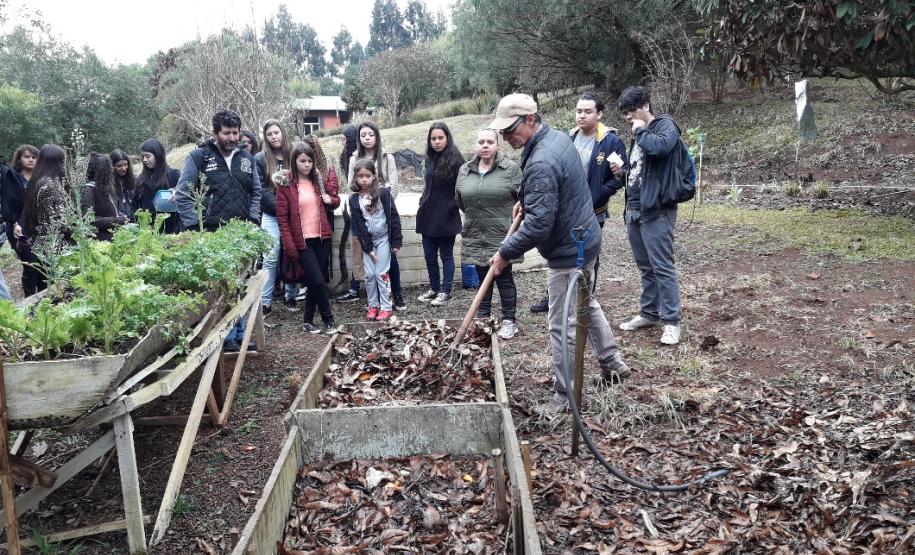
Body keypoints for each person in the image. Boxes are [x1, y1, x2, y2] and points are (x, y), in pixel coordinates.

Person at [487, 94, 629, 410]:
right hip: (585, 237)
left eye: (510, 130)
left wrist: (505, 253)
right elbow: (557, 188)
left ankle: (566, 396)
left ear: (531, 120)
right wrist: (530, 198)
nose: (506, 137)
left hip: (568, 250)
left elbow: (539, 225)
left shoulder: (540, 160)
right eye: (503, 132)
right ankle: (613, 362)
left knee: (561, 323)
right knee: (586, 302)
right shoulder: (557, 139)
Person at [529, 91, 629, 313]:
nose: (582, 116)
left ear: (599, 114)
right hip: (566, 209)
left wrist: (600, 193)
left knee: (589, 254)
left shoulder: (609, 141)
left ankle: (586, 296)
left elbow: (620, 176)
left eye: (588, 111)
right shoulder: (569, 137)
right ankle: (553, 297)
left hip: (594, 209)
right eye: (578, 111)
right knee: (560, 251)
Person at [176, 109, 262, 352]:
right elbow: (182, 194)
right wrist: (195, 227)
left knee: (241, 285)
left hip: (241, 232)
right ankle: (223, 337)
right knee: (219, 288)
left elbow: (255, 192)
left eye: (236, 132)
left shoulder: (246, 159)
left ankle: (240, 334)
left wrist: (253, 220)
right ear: (215, 133)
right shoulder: (199, 158)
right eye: (227, 133)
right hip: (212, 233)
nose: (233, 138)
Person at [612, 86, 683, 346]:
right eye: (626, 113)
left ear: (646, 105)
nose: (629, 117)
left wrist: (641, 129)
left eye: (632, 111)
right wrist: (623, 171)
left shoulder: (666, 126)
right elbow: (643, 167)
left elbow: (660, 148)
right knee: (645, 267)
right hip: (634, 207)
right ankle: (649, 313)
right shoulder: (638, 134)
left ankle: (672, 322)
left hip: (657, 209)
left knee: (663, 266)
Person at [456, 129, 522, 339]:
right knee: (482, 275)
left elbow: (522, 200)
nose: (485, 145)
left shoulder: (510, 169)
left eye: (490, 142)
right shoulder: (465, 170)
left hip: (501, 234)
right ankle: (483, 318)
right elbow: (459, 199)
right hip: (476, 232)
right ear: (476, 145)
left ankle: (509, 320)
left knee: (503, 278)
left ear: (497, 145)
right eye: (481, 141)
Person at [338, 121, 405, 311]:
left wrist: (379, 203)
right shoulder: (353, 158)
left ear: (376, 136)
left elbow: (394, 185)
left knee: (389, 260)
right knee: (364, 256)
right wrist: (361, 205)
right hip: (362, 214)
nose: (367, 138)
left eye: (370, 134)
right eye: (363, 135)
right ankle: (369, 299)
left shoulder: (386, 157)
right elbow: (351, 186)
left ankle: (395, 296)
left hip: (383, 212)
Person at [276, 142, 339, 334]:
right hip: (302, 242)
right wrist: (289, 246)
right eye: (302, 161)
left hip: (322, 238)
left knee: (314, 282)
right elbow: (282, 220)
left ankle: (308, 321)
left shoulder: (317, 181)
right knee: (318, 282)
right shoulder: (285, 185)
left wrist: (333, 200)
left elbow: (334, 199)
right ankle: (329, 320)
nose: (307, 165)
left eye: (310, 161)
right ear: (294, 161)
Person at [416, 122, 464, 306]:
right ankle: (434, 288)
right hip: (427, 215)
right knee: (429, 256)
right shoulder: (429, 158)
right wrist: (422, 202)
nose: (436, 142)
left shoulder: (456, 160)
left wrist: (453, 207)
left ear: (447, 138)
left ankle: (446, 291)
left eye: (440, 138)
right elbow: (427, 186)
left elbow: (461, 189)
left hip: (446, 216)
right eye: (433, 138)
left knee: (446, 256)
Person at [348, 159, 402, 321]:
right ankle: (373, 305)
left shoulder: (383, 193)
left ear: (374, 176)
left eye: (367, 175)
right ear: (356, 178)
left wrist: (396, 241)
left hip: (384, 239)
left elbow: (393, 216)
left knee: (381, 273)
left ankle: (386, 307)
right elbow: (359, 226)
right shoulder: (354, 199)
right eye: (360, 176)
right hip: (368, 242)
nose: (364, 179)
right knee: (370, 275)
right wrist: (368, 248)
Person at [255, 119, 296, 314]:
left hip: (293, 215)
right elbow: (261, 190)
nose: (274, 137)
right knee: (270, 257)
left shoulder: (293, 154)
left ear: (282, 133)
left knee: (291, 254)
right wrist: (279, 208)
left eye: (276, 132)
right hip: (271, 215)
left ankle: (291, 295)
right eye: (270, 134)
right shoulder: (260, 159)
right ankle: (266, 301)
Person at [20, 144, 69, 296]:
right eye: (63, 161)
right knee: (50, 290)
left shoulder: (38, 180)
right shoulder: (49, 185)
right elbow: (56, 222)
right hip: (49, 246)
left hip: (38, 242)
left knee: (44, 288)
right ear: (56, 162)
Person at [133, 138, 181, 233]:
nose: (144, 160)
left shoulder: (174, 175)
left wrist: (177, 193)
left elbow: (185, 199)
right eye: (143, 157)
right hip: (147, 232)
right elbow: (134, 204)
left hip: (170, 230)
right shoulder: (141, 180)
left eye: (148, 156)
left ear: (158, 155)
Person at [82, 152, 128, 241]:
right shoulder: (88, 190)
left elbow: (111, 209)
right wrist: (117, 220)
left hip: (112, 237)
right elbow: (89, 220)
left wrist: (121, 215)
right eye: (109, 168)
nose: (111, 170)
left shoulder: (105, 187)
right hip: (98, 241)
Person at [2, 145, 38, 246]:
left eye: (34, 157)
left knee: (39, 255)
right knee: (24, 249)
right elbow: (8, 203)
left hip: (37, 225)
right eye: (26, 157)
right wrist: (15, 224)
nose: (31, 160)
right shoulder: (11, 178)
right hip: (17, 224)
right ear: (19, 159)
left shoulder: (41, 178)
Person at [109, 149, 137, 221]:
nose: (124, 168)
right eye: (119, 166)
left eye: (125, 164)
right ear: (112, 166)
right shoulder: (108, 184)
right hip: (118, 223)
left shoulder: (134, 180)